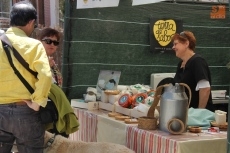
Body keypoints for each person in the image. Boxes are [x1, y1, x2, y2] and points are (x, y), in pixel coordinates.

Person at [0, 1, 52, 153]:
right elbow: (46, 76)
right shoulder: (34, 45)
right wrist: (37, 102)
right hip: (25, 111)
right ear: (31, 22)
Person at [171, 30, 214, 112]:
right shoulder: (180, 64)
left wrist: (199, 112)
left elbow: (205, 89)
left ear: (186, 44)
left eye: (176, 44)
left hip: (199, 118)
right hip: (187, 113)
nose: (173, 47)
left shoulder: (197, 61)